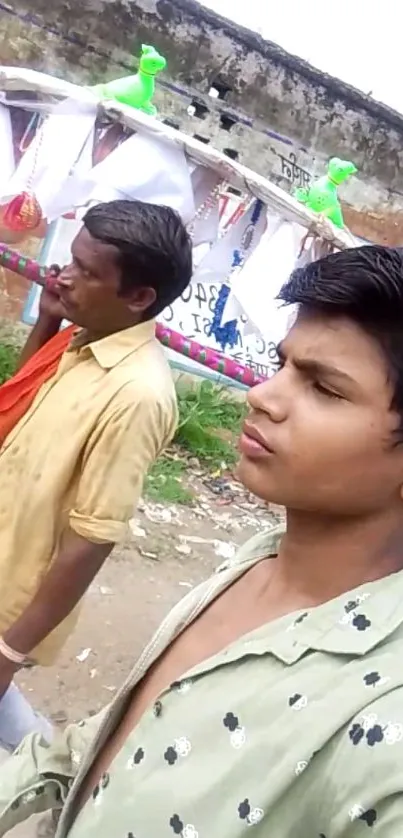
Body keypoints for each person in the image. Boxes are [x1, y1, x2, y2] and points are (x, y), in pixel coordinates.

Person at [2, 244, 403, 837]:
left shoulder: (381, 717)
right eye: (283, 365)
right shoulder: (253, 564)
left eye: (325, 389)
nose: (263, 396)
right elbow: (107, 747)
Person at [0, 198, 192, 753]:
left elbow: (92, 539)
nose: (64, 274)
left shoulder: (137, 394)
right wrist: (46, 323)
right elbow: (15, 408)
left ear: (138, 297)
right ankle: (55, 776)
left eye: (87, 271)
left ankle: (60, 783)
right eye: (72, 258)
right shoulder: (81, 340)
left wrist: (10, 652)